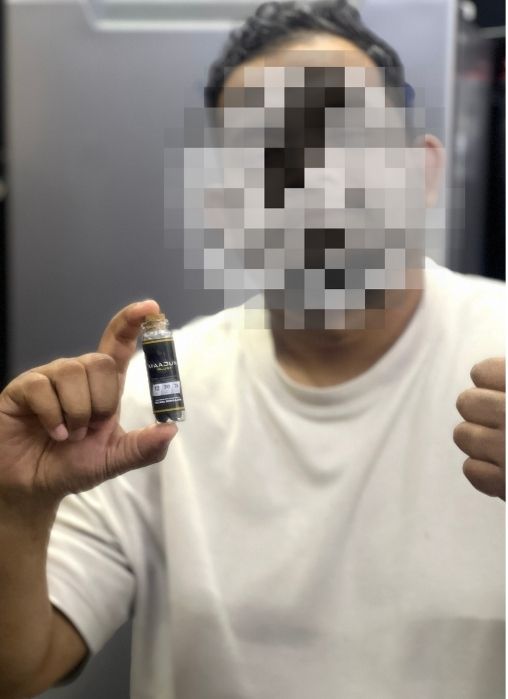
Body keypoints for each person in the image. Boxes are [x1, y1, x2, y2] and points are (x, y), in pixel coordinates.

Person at [0, 2, 504, 698]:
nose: (315, 182)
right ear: (224, 207)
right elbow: (20, 665)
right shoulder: (152, 401)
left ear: (422, 172)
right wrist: (16, 509)